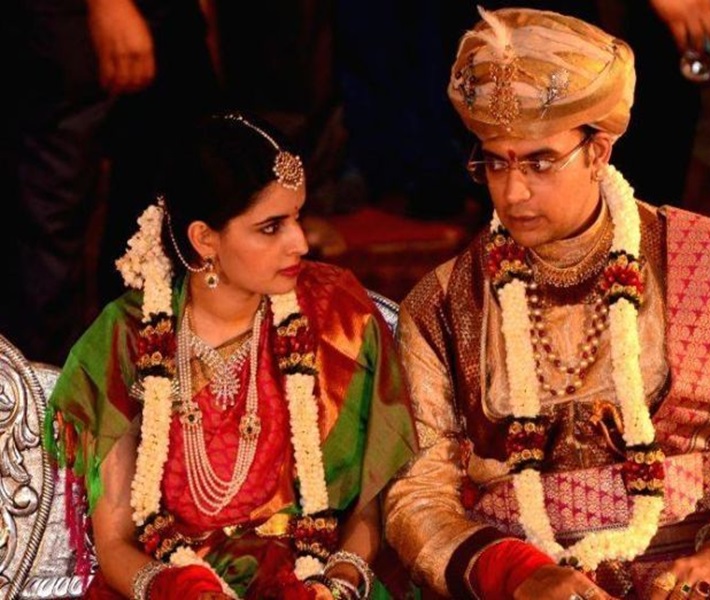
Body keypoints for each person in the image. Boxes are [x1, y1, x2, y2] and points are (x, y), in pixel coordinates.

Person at [384, 7, 710, 599]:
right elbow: (417, 498)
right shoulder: (442, 306)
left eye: (539, 162)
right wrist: (518, 574)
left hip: (692, 581)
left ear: (599, 151)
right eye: (494, 161)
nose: (512, 191)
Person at [44, 113, 417, 599]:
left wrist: (338, 583)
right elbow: (114, 542)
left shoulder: (336, 318)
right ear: (205, 239)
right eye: (271, 227)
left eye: (297, 217)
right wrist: (175, 589)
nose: (300, 242)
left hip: (313, 580)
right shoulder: (128, 336)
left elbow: (371, 504)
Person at [0, 0, 219, 366]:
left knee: (158, 209)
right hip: (72, 16)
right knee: (48, 235)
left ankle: (135, 373)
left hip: (161, 16)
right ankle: (44, 389)